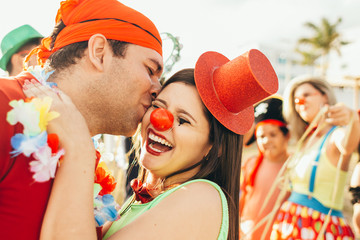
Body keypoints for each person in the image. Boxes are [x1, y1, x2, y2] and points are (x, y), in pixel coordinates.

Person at [23, 49, 279, 239]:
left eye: (183, 120)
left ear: (215, 147)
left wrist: (79, 147)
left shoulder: (201, 197)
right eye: (158, 106)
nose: (160, 121)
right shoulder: (153, 193)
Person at [0, 0, 163, 239]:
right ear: (99, 53)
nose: (158, 89)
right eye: (150, 70)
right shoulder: (5, 104)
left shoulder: (87, 166)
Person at [270, 75, 360, 240]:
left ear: (324, 95)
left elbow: (348, 144)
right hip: (290, 222)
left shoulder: (335, 135)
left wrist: (353, 118)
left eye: (306, 95)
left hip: (318, 226)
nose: (300, 102)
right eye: (296, 100)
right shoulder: (305, 141)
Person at [240, 96, 290, 240]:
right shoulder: (250, 163)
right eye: (261, 136)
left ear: (287, 135)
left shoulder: (294, 166)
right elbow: (243, 197)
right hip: (249, 230)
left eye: (273, 135)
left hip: (280, 231)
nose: (266, 141)